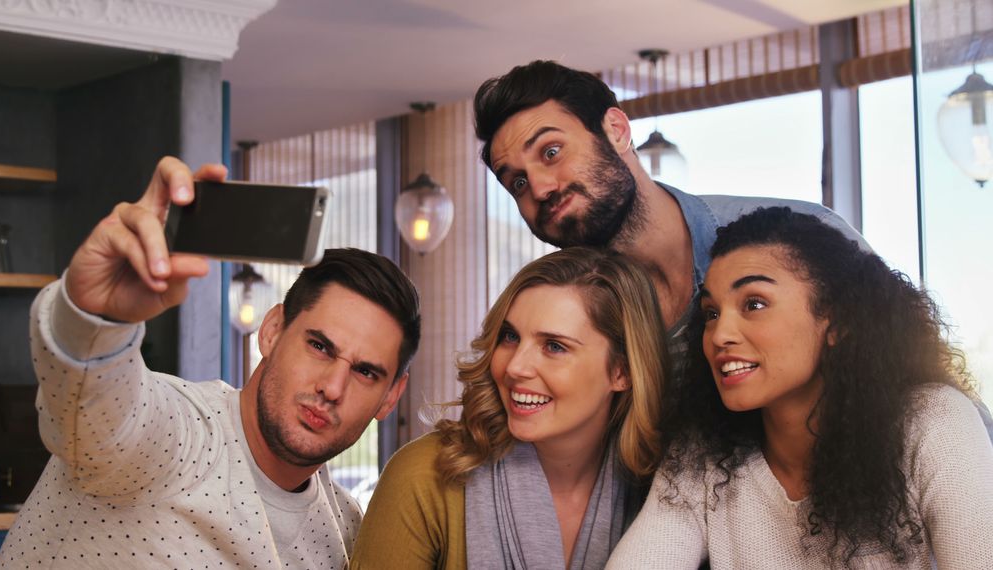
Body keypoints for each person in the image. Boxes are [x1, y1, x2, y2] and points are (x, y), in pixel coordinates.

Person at [0, 157, 421, 569]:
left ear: (390, 397)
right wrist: (96, 317)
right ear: (272, 331)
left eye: (365, 371)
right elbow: (95, 416)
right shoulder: (176, 435)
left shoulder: (344, 531)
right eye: (320, 347)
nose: (333, 386)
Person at [606, 207, 993, 569]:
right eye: (711, 313)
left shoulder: (933, 420)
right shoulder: (702, 457)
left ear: (838, 322)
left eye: (754, 304)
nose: (720, 334)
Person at [473, 60, 866, 351]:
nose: (539, 188)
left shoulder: (803, 236)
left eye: (552, 151)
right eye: (517, 182)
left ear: (616, 131)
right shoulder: (569, 325)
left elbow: (906, 384)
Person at [350, 247, 670, 569]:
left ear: (622, 371)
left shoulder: (666, 492)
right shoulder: (423, 477)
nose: (515, 366)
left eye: (554, 346)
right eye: (510, 336)